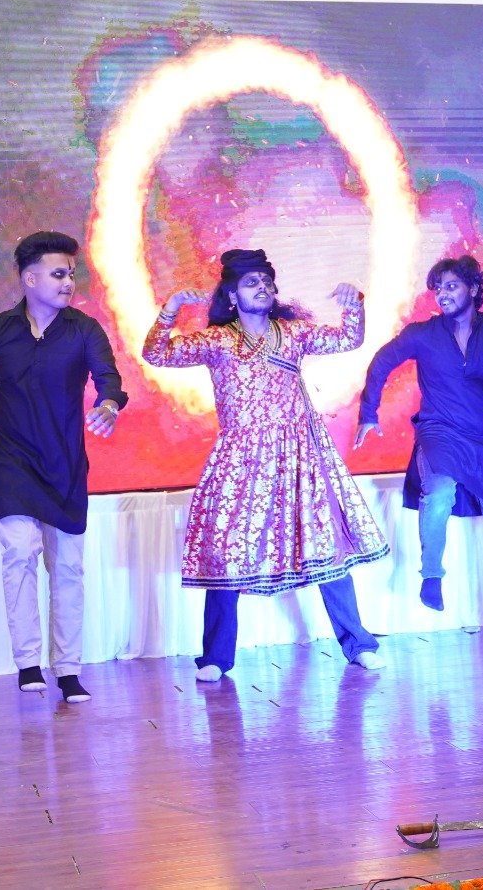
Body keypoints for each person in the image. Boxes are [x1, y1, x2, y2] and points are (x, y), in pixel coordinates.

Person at [144, 249, 389, 681]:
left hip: (300, 458)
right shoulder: (218, 341)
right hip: (241, 462)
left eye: (266, 281)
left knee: (325, 547)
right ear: (232, 295)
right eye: (251, 282)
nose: (262, 288)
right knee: (226, 554)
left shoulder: (291, 333)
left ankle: (359, 645)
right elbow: (158, 353)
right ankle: (216, 657)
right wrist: (171, 309)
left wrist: (354, 303)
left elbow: (347, 339)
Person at [0, 231, 128, 703]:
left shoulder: (84, 330)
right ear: (29, 278)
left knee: (68, 567)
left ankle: (69, 670)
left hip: (64, 463)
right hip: (9, 460)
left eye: (71, 274)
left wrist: (108, 404)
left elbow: (109, 379)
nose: (68, 282)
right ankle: (27, 663)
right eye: (58, 274)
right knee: (19, 551)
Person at [355, 253, 483, 644]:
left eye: (451, 286)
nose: (442, 294)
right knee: (439, 491)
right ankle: (431, 577)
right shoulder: (422, 334)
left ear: (473, 289)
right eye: (437, 288)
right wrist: (368, 413)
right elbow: (381, 362)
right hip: (439, 432)